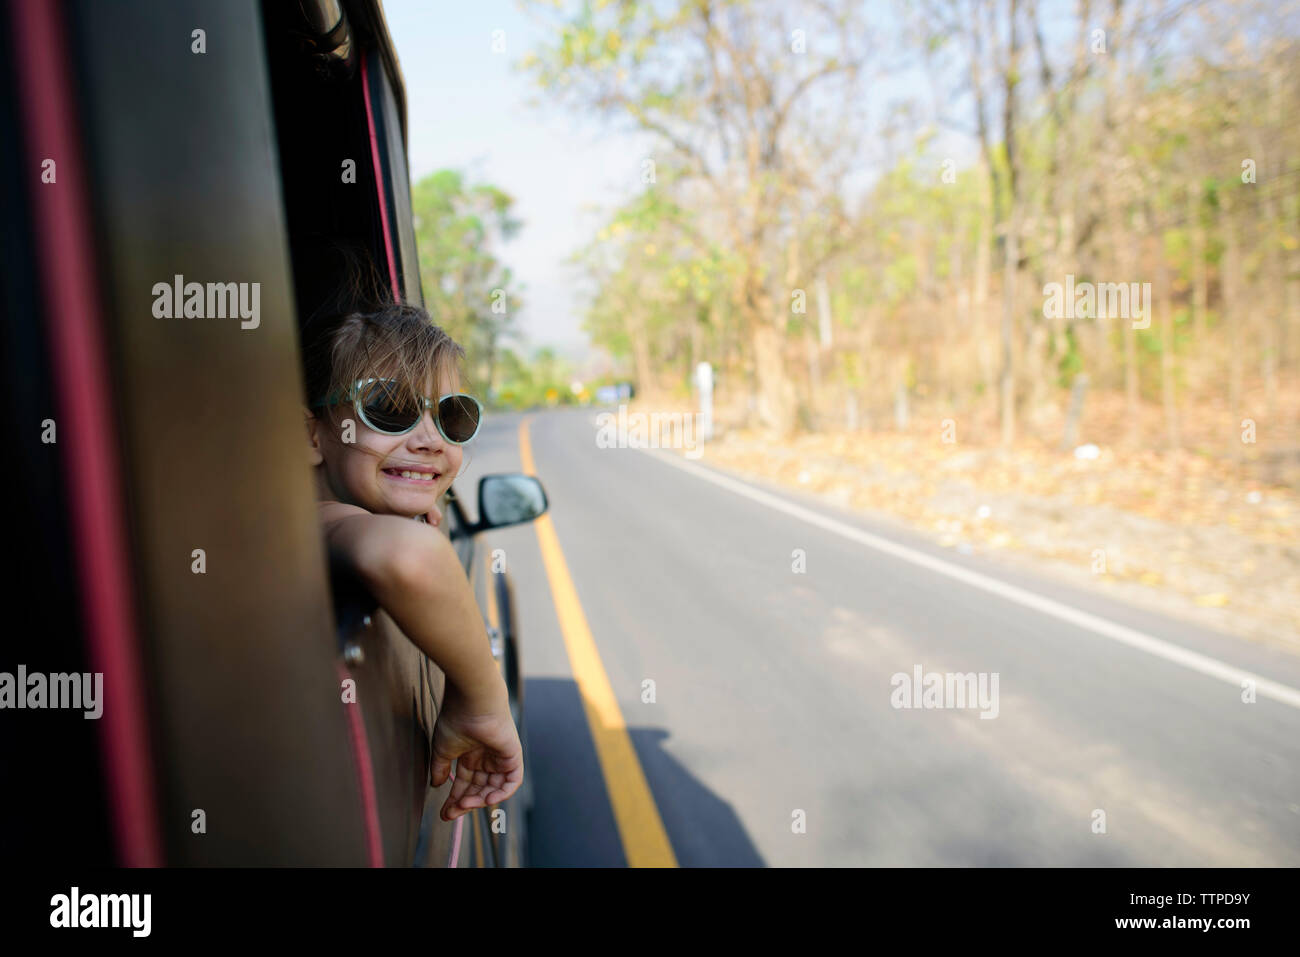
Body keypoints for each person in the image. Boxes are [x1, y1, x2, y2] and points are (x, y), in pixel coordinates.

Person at [301, 300, 522, 823]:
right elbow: (411, 558)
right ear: (310, 435)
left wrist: (420, 501)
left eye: (452, 416)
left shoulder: (353, 507)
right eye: (390, 408)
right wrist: (485, 700)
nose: (429, 441)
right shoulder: (317, 520)